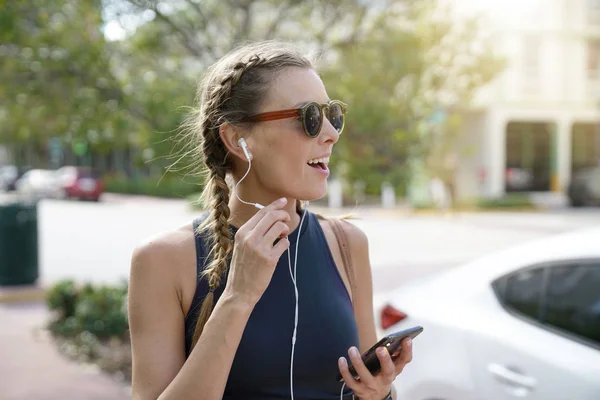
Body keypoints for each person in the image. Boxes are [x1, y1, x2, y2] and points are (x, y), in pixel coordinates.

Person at [128, 40, 413, 400]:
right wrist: (238, 296)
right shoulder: (164, 260)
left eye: (333, 115)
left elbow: (367, 389)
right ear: (238, 139)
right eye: (309, 117)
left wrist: (378, 393)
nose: (331, 133)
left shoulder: (347, 244)